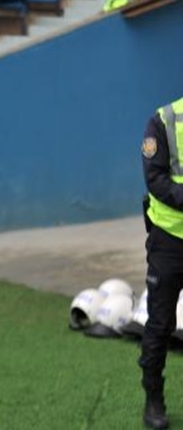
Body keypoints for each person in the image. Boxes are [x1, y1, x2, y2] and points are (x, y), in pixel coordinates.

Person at [139, 97, 183, 430]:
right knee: (160, 323)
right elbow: (155, 178)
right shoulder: (164, 119)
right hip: (169, 241)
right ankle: (154, 399)